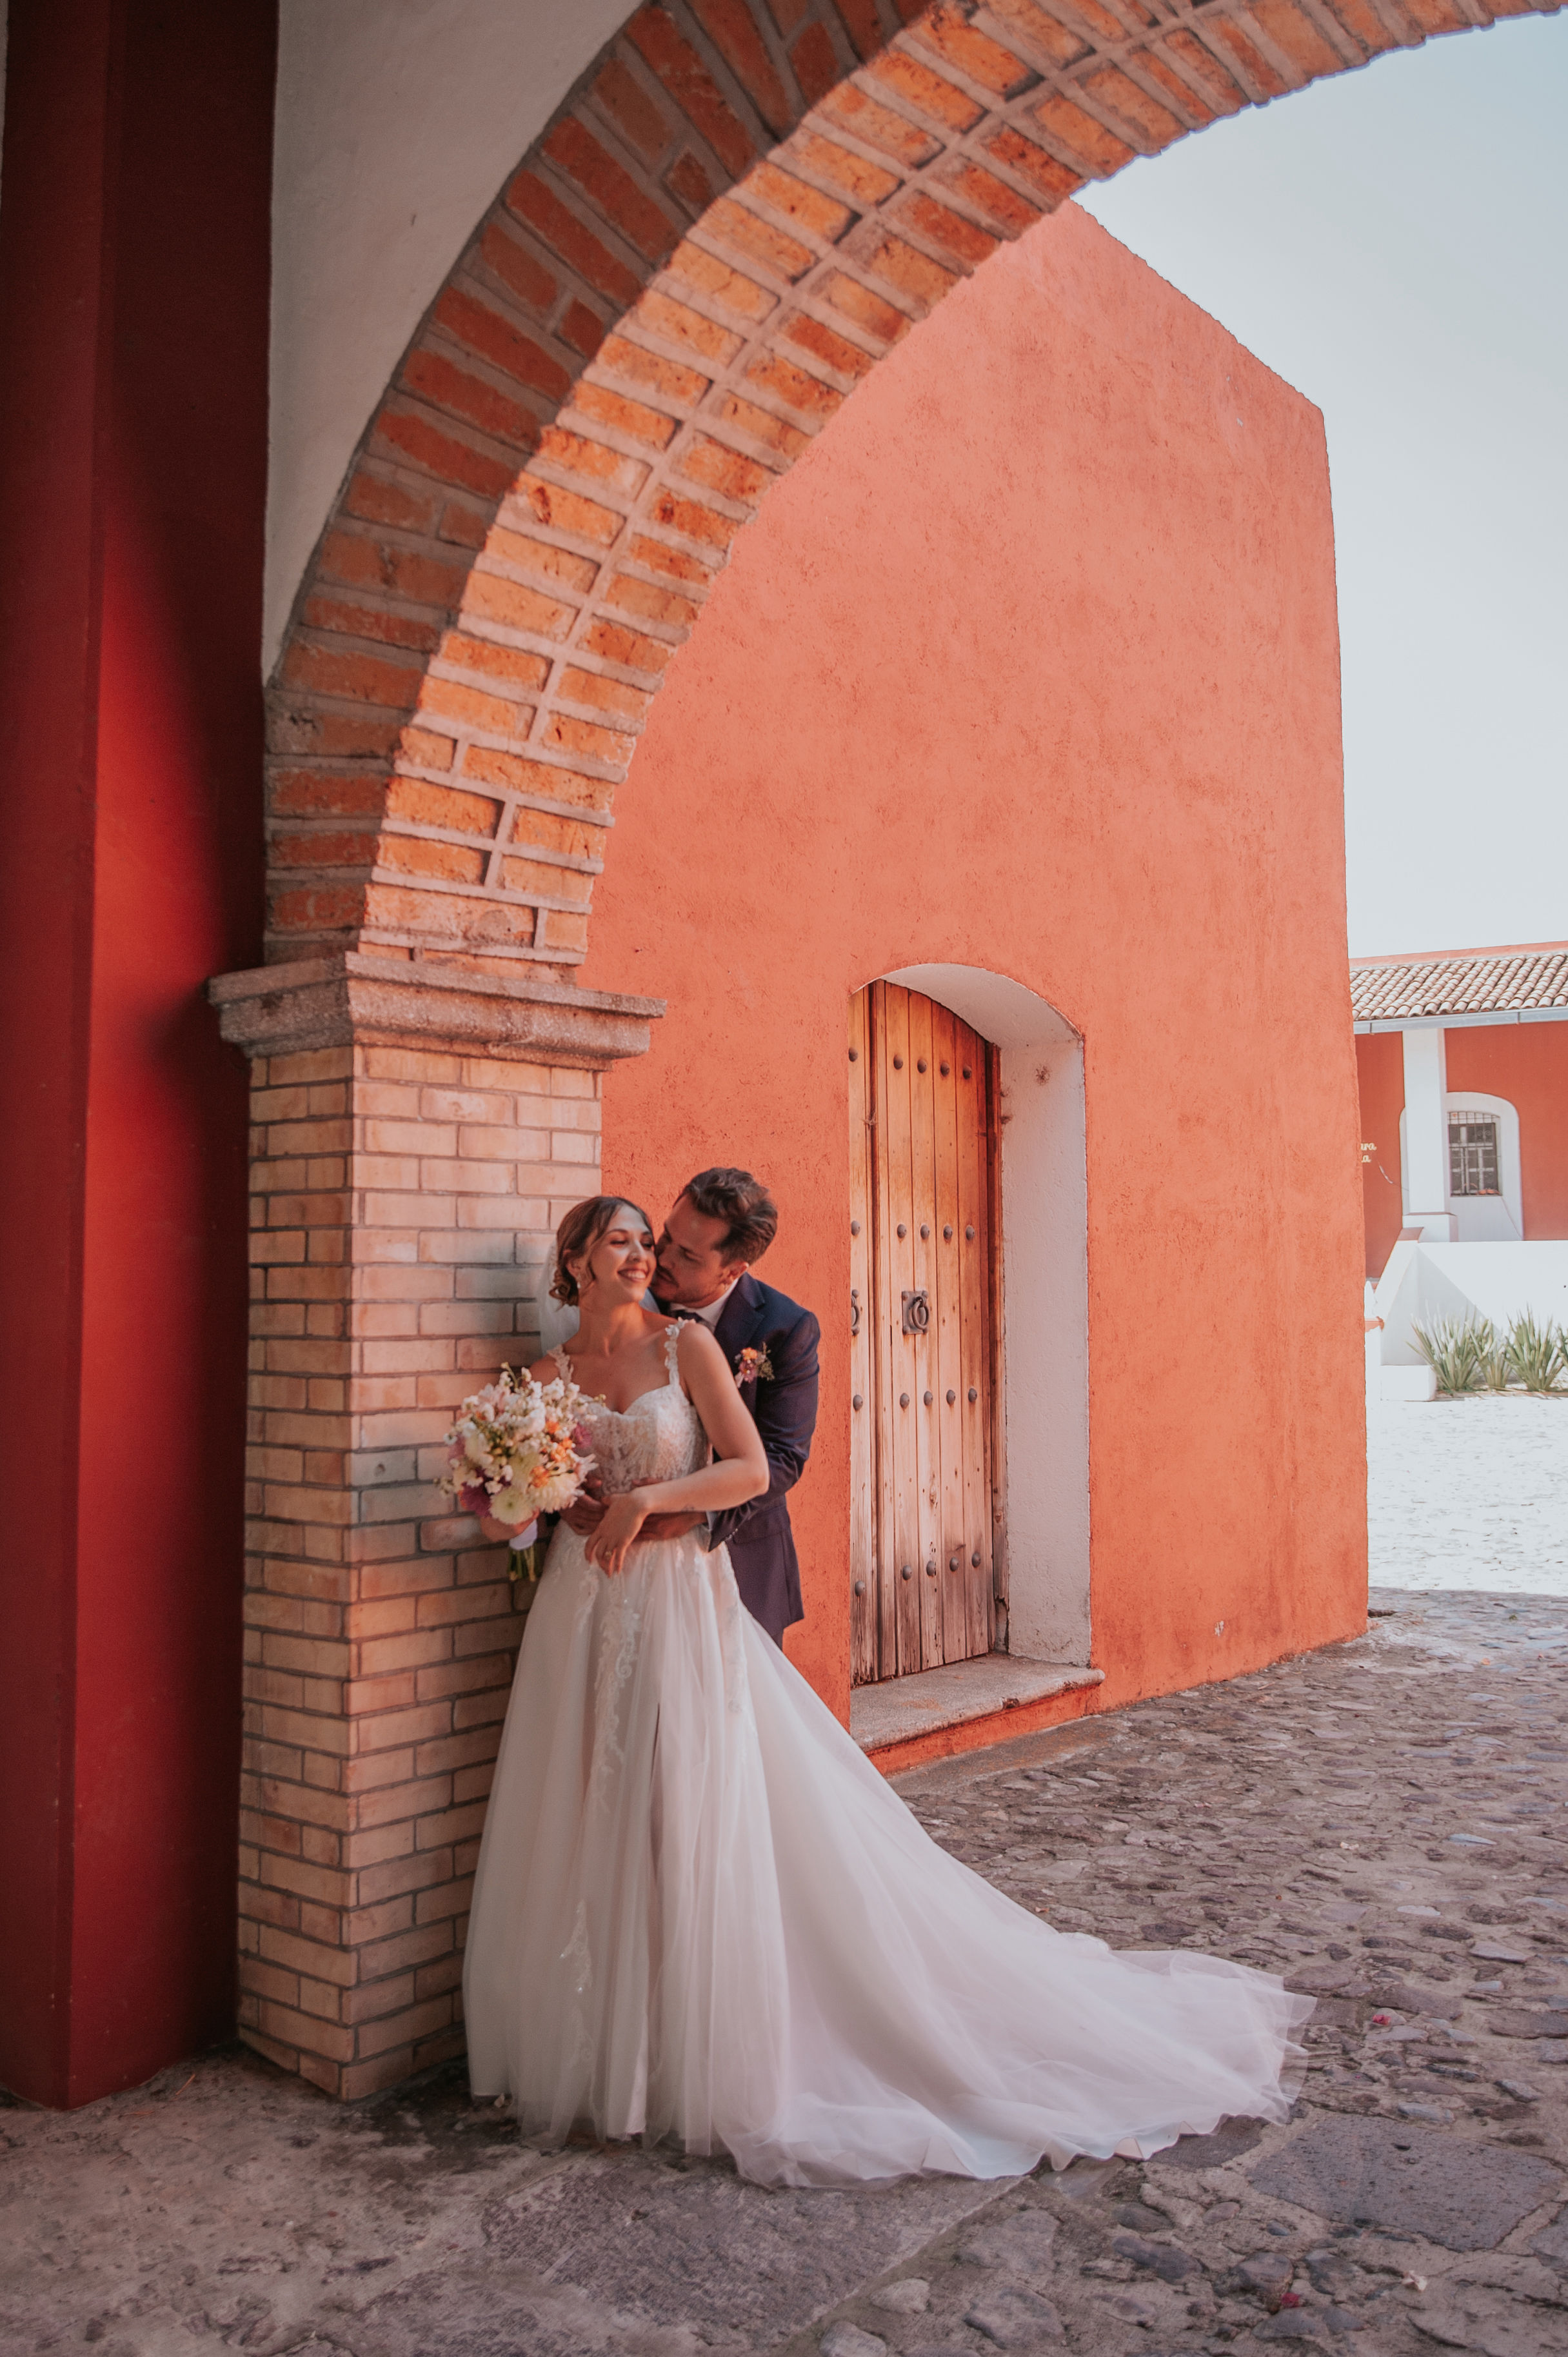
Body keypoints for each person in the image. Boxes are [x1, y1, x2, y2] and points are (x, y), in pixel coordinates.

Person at [462, 1193, 1312, 2189]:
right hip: (577, 1614)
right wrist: (519, 1501)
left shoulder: (685, 1346)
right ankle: (603, 2046)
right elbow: (510, 1515)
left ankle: (698, 2049)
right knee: (584, 1807)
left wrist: (648, 1498)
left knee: (687, 1804)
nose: (645, 1253)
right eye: (622, 1238)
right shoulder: (538, 1379)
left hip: (674, 1602)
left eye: (652, 1240)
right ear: (572, 1257)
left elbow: (746, 1468)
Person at [560, 1167, 819, 1646]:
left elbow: (782, 1457)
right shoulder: (628, 1293)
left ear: (733, 1270)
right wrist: (566, 1493)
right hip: (617, 1566)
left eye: (687, 1254)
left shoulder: (787, 1328)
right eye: (665, 1237)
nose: (660, 1258)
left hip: (737, 1551)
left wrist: (697, 1511)